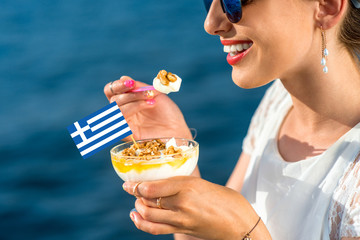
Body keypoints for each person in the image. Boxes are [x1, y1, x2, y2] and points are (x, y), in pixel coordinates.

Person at [103, 0, 360, 239]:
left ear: (327, 6)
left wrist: (246, 230)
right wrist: (176, 157)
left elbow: (238, 229)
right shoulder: (278, 103)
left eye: (234, 1)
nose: (211, 24)